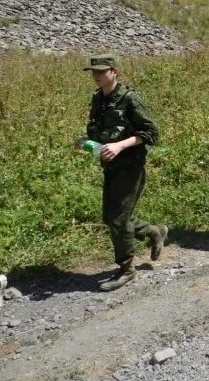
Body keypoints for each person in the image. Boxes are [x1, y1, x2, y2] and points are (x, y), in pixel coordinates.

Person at [84, 54, 167, 292]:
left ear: (115, 71)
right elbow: (96, 128)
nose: (96, 76)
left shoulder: (129, 98)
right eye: (93, 72)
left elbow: (151, 132)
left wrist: (120, 145)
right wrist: (90, 143)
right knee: (112, 217)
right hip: (111, 166)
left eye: (101, 71)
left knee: (118, 219)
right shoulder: (98, 98)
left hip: (131, 166)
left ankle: (127, 269)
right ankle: (154, 231)